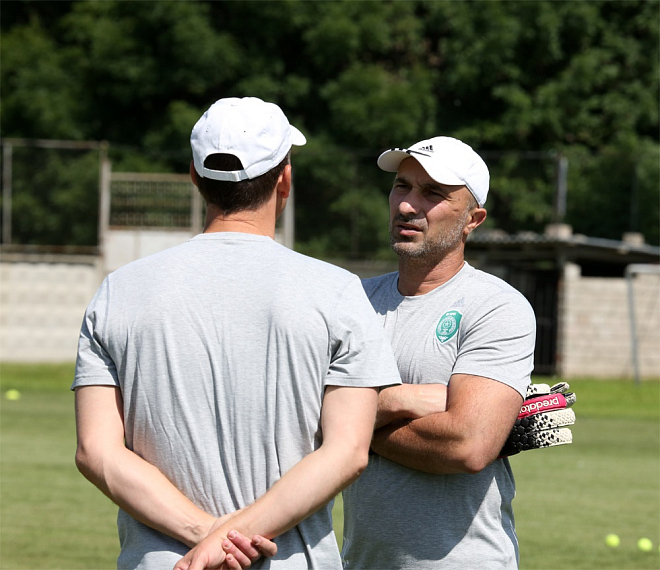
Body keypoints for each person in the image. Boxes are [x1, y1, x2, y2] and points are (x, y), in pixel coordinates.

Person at [72, 97, 401, 570]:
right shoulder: (337, 291)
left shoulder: (118, 290)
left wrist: (204, 535)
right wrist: (231, 538)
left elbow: (96, 451)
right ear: (285, 178)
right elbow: (347, 451)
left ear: (194, 176)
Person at [339, 136, 537, 569]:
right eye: (402, 186)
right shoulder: (352, 302)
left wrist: (348, 426)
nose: (408, 205)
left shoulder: (496, 306)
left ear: (472, 219)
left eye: (433, 193)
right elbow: (299, 414)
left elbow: (467, 445)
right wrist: (405, 399)